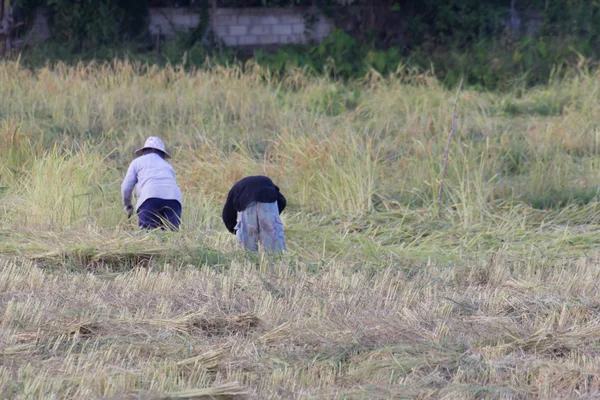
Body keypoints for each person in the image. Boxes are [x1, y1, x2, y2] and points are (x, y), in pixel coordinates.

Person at [121, 136, 183, 231]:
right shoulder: (168, 166)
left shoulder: (137, 162)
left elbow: (126, 187)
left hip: (150, 197)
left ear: (144, 151)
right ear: (162, 153)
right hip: (173, 199)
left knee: (148, 235)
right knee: (171, 235)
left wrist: (128, 206)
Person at [222, 175, 287, 253]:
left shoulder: (235, 189)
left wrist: (235, 230)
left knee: (248, 248)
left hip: (246, 202)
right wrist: (273, 216)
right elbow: (282, 201)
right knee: (274, 247)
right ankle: (275, 262)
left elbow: (227, 214)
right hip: (268, 197)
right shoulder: (268, 183)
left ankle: (250, 261)